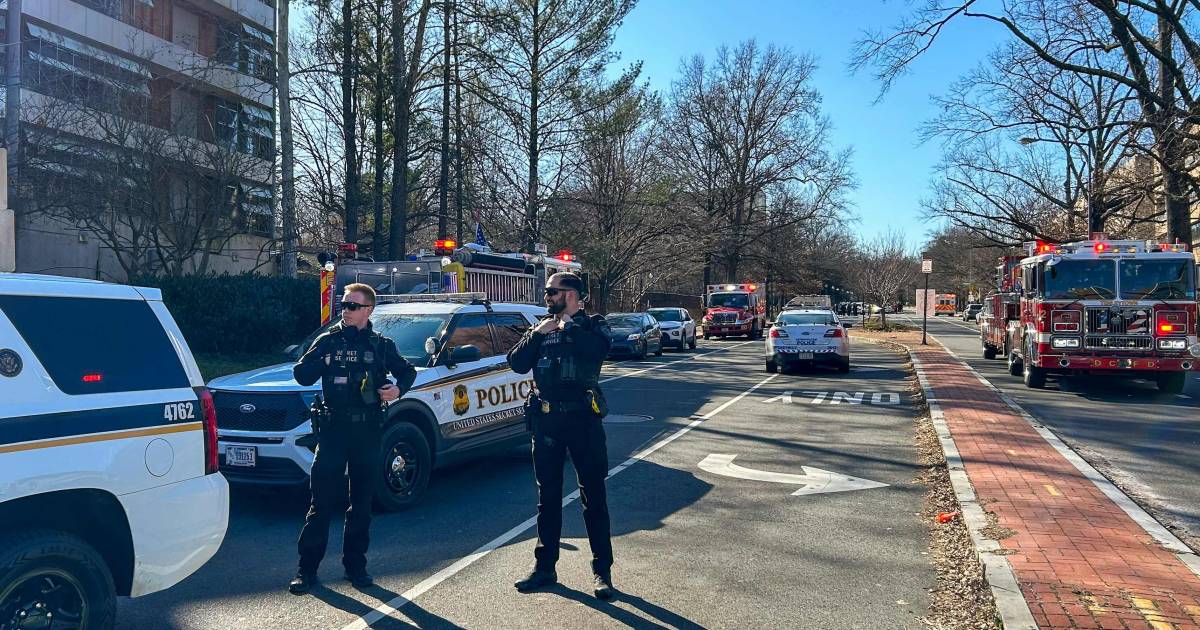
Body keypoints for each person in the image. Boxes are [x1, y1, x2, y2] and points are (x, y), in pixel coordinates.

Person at [288, 283, 417, 594]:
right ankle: (307, 571)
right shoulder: (328, 342)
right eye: (344, 305)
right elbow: (301, 373)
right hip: (333, 432)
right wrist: (326, 361)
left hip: (367, 432)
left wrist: (397, 390)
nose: (345, 310)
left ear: (368, 310)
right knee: (321, 504)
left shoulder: (380, 345)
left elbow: (407, 372)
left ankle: (356, 567)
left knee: (361, 504)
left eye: (352, 306)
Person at [507, 272, 616, 600]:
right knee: (548, 497)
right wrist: (538, 334)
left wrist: (569, 325)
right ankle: (544, 568)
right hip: (546, 421)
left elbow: (597, 352)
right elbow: (517, 363)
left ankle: (602, 572)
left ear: (571, 294)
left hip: (583, 420)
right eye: (547, 291)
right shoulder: (541, 327)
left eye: (552, 292)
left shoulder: (593, 325)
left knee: (593, 496)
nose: (547, 296)